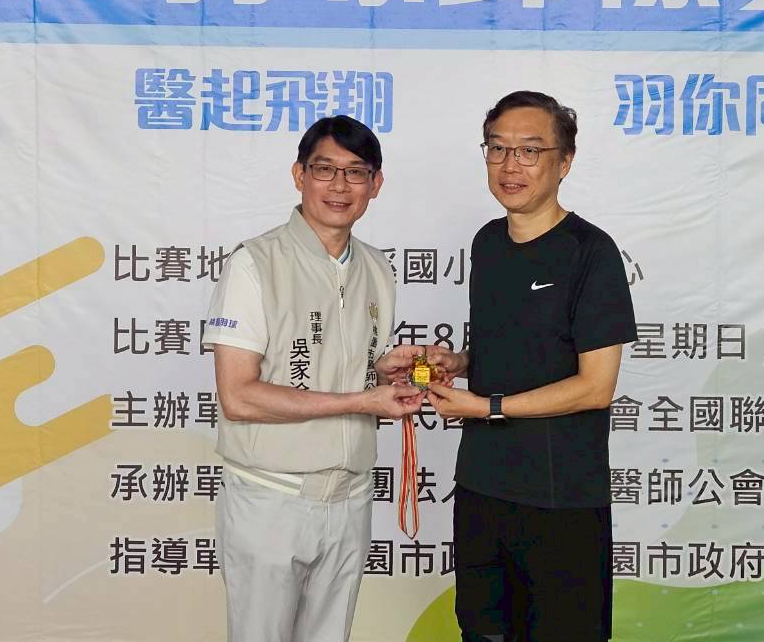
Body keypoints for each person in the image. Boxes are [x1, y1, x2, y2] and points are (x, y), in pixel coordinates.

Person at [424, 91, 637, 642]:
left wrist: (488, 407)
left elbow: (596, 386)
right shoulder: (488, 243)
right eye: (497, 148)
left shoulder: (591, 252)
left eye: (529, 150)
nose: (509, 165)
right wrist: (459, 362)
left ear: (564, 162)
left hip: (560, 497)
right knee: (482, 632)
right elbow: (516, 348)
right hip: (481, 487)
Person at [203, 115, 425, 642]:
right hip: (270, 495)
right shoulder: (255, 263)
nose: (339, 186)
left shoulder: (376, 267)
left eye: (356, 172)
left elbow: (342, 363)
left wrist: (382, 370)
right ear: (299, 175)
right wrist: (363, 401)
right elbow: (238, 396)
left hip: (350, 496)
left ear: (376, 184)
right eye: (325, 169)